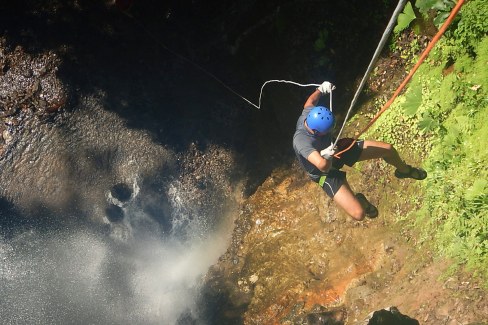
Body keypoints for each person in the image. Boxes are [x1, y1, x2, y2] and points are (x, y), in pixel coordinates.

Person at [292, 81, 427, 221]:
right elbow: (322, 166)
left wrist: (320, 90)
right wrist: (326, 155)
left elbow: (310, 102)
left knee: (387, 149)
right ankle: (360, 201)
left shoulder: (309, 114)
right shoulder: (301, 141)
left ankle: (404, 171)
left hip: (336, 150)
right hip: (324, 173)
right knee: (359, 214)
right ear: (315, 131)